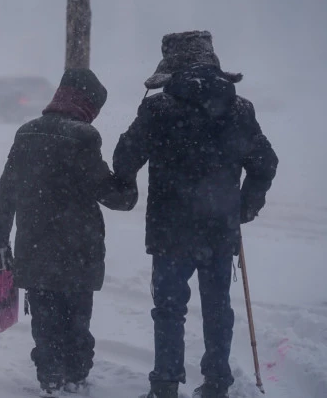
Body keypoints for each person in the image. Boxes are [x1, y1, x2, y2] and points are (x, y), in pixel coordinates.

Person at [113, 31, 278, 398]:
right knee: (217, 308)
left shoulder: (159, 109)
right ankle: (217, 384)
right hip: (219, 229)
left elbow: (125, 158)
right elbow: (265, 163)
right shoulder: (239, 110)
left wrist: (125, 181)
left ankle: (166, 385)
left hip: (170, 232)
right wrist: (243, 207)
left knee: (169, 310)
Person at [0, 68, 138, 396]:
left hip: (35, 246)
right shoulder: (83, 137)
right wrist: (127, 177)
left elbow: (5, 191)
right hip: (77, 248)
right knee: (76, 320)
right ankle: (76, 377)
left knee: (45, 321)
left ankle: (51, 378)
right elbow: (113, 196)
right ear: (86, 104)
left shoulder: (27, 133)